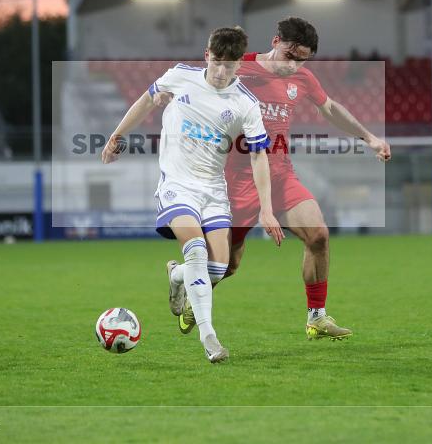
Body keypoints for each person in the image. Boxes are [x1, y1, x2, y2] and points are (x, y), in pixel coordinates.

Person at [157, 17, 390, 340]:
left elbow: (331, 109)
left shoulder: (304, 79)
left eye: (302, 60)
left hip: (279, 176)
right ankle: (181, 275)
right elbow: (200, 80)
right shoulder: (241, 67)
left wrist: (370, 138)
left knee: (319, 235)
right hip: (234, 181)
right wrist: (167, 95)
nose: (293, 66)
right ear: (275, 41)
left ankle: (317, 318)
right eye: (290, 56)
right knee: (227, 267)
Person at [101, 26, 283, 364]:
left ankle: (176, 274)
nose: (220, 72)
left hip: (214, 191)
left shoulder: (246, 103)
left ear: (239, 66)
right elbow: (145, 100)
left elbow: (259, 156)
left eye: (229, 66)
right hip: (177, 185)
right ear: (206, 55)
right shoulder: (180, 76)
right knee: (196, 251)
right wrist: (117, 135)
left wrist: (267, 210)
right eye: (216, 63)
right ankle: (209, 337)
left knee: (218, 268)